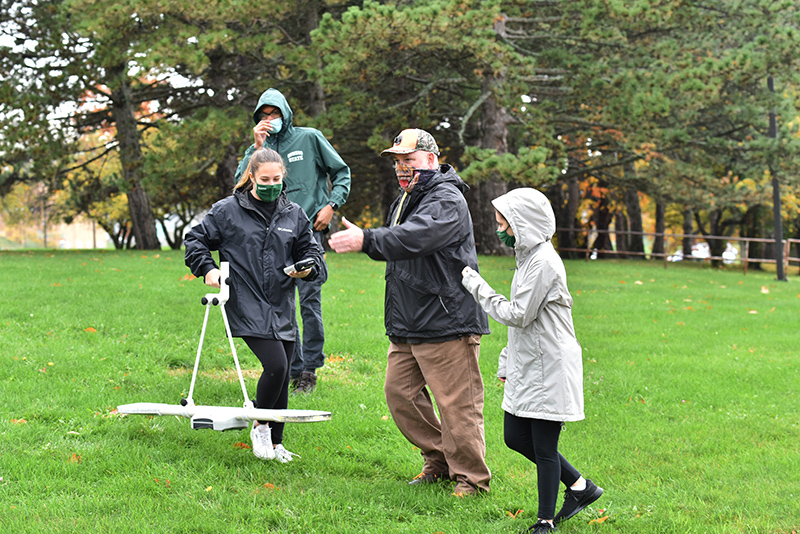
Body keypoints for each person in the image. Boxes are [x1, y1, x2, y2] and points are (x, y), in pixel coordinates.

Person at [328, 128, 492, 496]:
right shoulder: (405, 198)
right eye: (398, 162)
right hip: (408, 322)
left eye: (409, 160)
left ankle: (472, 480)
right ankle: (439, 460)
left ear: (432, 160)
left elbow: (417, 236)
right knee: (399, 395)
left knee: (457, 406)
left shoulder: (446, 198)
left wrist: (367, 239)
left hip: (447, 320)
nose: (402, 168)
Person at [460, 188, 603, 532]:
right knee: (515, 437)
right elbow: (525, 326)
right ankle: (582, 488)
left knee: (544, 447)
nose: (500, 231)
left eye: (503, 225)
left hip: (550, 365)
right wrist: (508, 364)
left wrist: (476, 285)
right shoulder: (527, 258)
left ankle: (545, 521)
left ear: (523, 225)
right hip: (530, 363)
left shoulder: (543, 262)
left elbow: (519, 314)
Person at [185, 147, 324, 462]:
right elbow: (195, 240)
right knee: (275, 365)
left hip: (281, 303)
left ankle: (276, 443)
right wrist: (207, 268)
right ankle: (260, 427)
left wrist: (306, 266)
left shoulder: (294, 213)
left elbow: (311, 250)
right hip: (245, 300)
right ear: (251, 177)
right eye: (265, 179)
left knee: (285, 371)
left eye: (277, 179)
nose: (271, 184)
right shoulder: (227, 211)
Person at [233, 88, 351, 394]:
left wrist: (331, 206)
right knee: (280, 304)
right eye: (264, 115)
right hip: (272, 238)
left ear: (286, 113)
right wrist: (256, 147)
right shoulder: (259, 150)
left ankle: (310, 370)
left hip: (309, 232)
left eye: (275, 113)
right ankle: (292, 368)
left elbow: (341, 172)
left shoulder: (309, 138)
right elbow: (239, 186)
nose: (270, 120)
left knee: (310, 302)